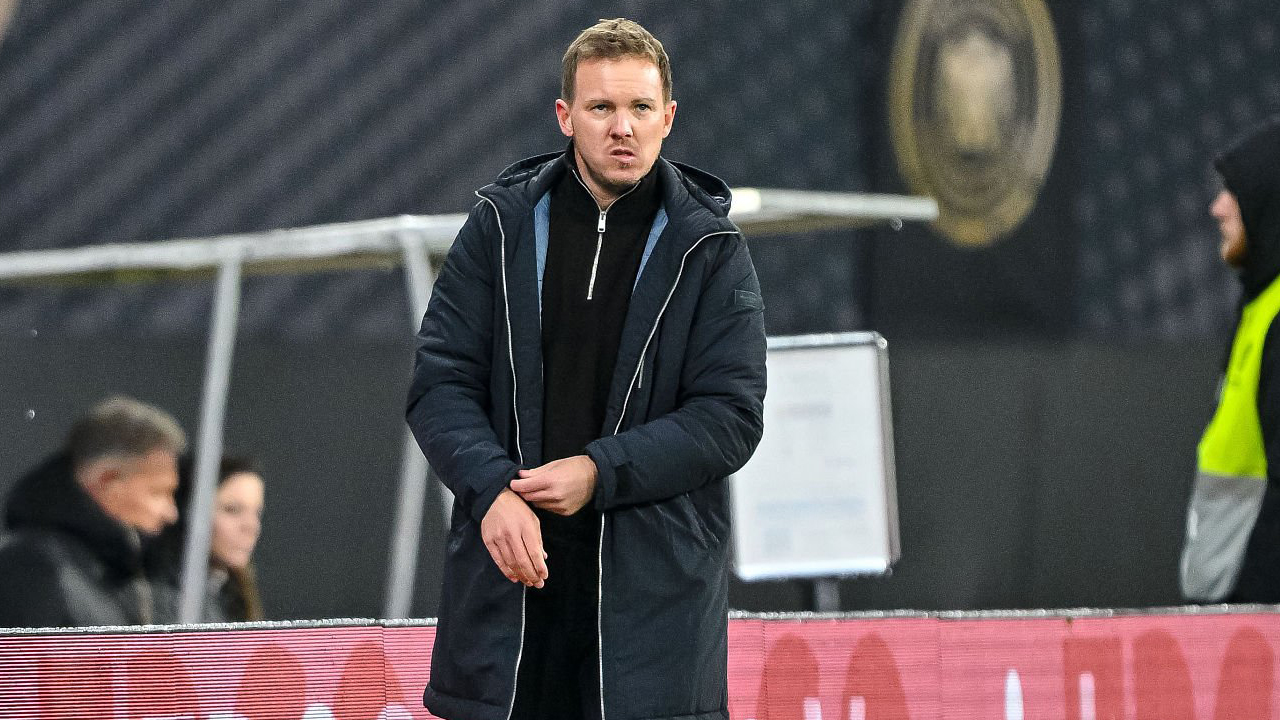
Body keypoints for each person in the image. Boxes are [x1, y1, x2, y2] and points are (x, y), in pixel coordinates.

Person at [406, 17, 767, 720]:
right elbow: (440, 384)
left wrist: (599, 472)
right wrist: (491, 491)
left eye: (640, 108)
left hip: (653, 627)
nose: (622, 127)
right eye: (601, 107)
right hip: (508, 601)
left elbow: (729, 417)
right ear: (565, 117)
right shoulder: (499, 226)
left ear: (668, 118)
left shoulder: (713, 248)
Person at [1181, 115, 1280, 602]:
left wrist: (1248, 616)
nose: (1217, 207)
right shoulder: (1260, 305)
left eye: (1233, 193)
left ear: (1267, 204)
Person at [0, 395, 185, 627]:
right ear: (108, 480)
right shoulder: (31, 568)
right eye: (157, 492)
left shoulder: (126, 569)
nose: (171, 513)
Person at [146, 455, 266, 623]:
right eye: (232, 510)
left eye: (257, 513)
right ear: (186, 512)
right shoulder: (157, 597)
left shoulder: (231, 595)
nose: (252, 527)